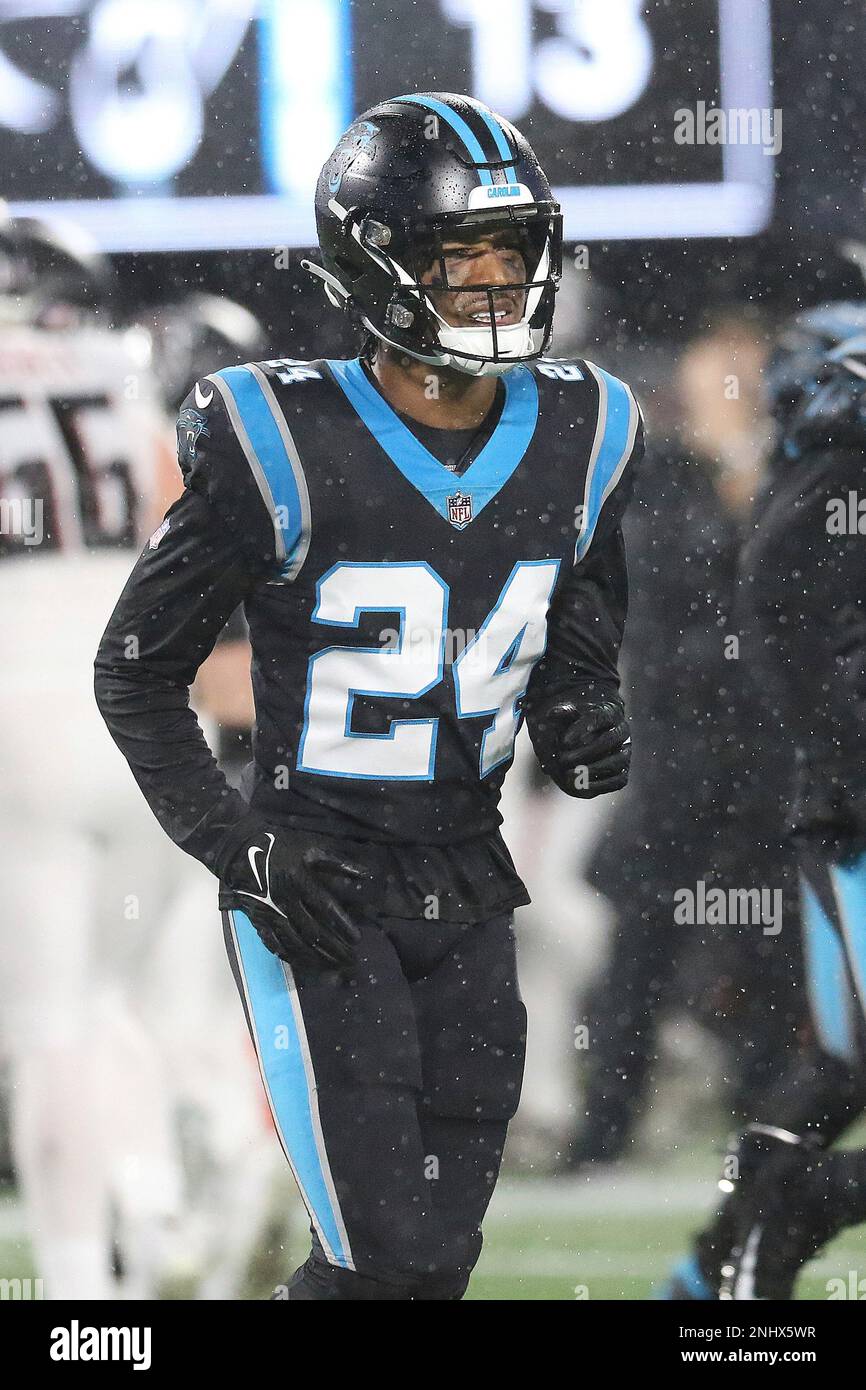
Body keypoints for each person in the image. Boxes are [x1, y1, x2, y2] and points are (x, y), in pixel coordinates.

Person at [95, 92, 643, 1301]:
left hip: (472, 878)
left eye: (513, 255)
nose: (498, 286)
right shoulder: (278, 431)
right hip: (318, 884)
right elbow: (133, 668)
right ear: (378, 266)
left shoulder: (588, 427)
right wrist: (234, 848)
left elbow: (578, 616)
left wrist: (578, 706)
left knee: (432, 1264)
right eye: (462, 260)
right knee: (383, 1254)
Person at [663, 310, 866, 1300]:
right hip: (843, 814)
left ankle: (722, 1260)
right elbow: (781, 620)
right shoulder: (825, 483)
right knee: (831, 1065)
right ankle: (777, 1220)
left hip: (821, 805)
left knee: (833, 1070)